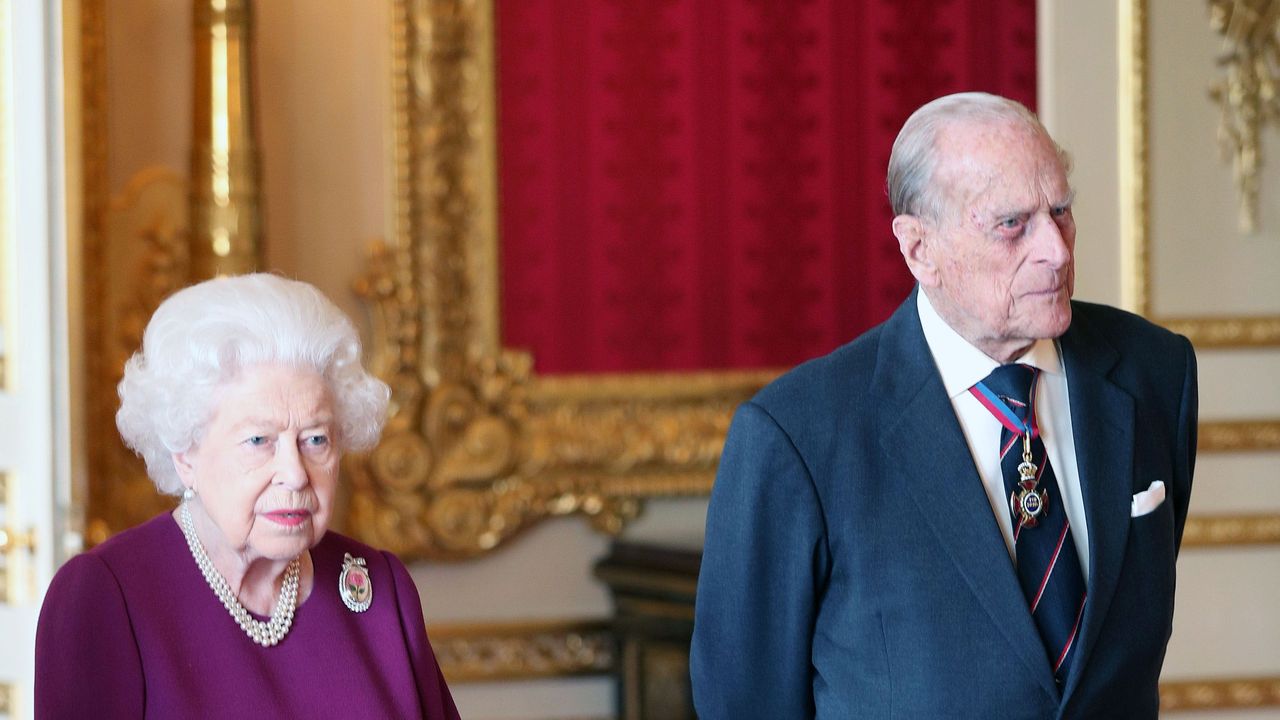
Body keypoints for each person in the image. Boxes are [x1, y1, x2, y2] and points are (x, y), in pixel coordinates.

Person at [691, 92, 1197, 719]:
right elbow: (745, 703)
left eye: (1061, 212)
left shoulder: (1154, 373)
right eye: (1013, 224)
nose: (1058, 250)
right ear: (918, 249)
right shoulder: (796, 437)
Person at [36, 273, 461, 719]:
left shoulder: (379, 588)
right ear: (186, 454)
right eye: (259, 441)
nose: (295, 474)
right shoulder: (105, 596)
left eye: (315, 440)